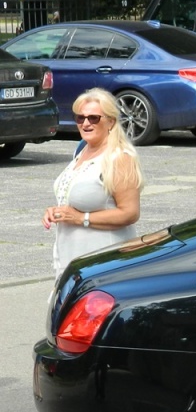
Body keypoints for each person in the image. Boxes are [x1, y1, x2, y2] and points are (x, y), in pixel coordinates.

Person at [43, 88, 144, 279]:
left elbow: (130, 212)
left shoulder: (119, 157)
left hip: (105, 264)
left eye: (93, 118)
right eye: (80, 118)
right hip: (72, 261)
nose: (86, 123)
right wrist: (58, 211)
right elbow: (76, 200)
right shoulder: (82, 151)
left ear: (111, 122)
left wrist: (82, 218)